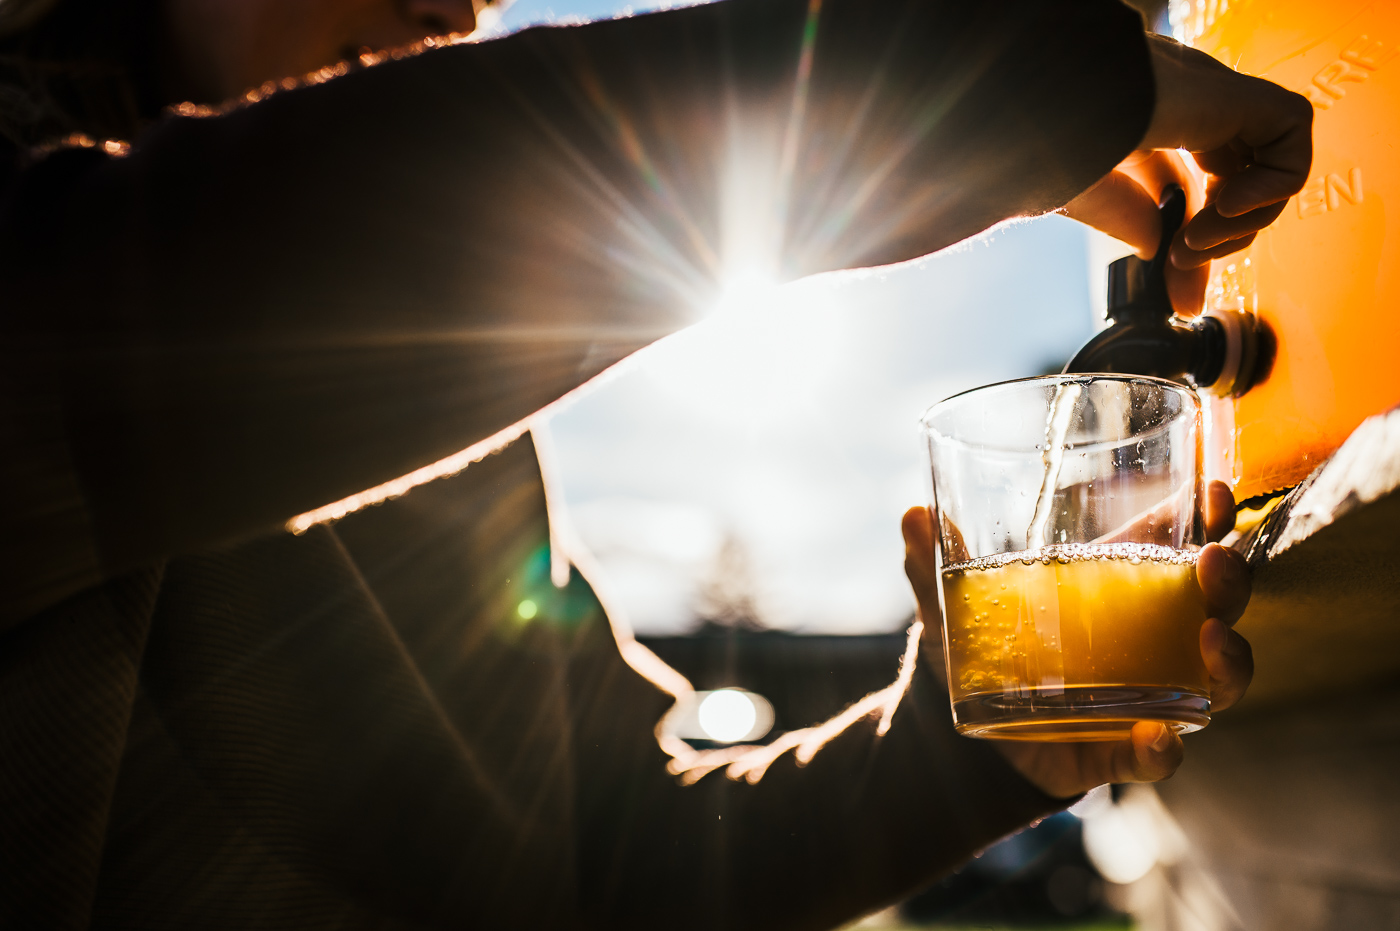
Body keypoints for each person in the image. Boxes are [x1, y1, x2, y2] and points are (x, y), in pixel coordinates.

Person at [0, 0, 1305, 927]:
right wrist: (984, 89)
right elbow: (129, 312)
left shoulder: (453, 455)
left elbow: (611, 866)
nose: (449, 10)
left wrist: (961, 759)